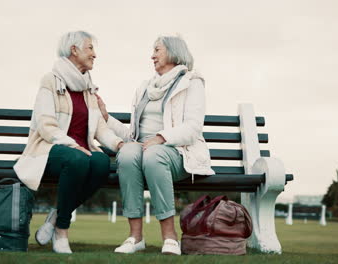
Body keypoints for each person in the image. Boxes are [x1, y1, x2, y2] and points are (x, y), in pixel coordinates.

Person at [97, 35, 214, 255]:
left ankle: (169, 238)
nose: (152, 55)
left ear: (173, 52)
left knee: (153, 155)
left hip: (177, 153)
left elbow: (192, 128)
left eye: (157, 50)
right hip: (144, 150)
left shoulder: (192, 82)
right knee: (127, 153)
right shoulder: (145, 87)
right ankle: (135, 237)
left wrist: (161, 138)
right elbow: (132, 134)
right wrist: (106, 118)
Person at [14, 31, 123, 254]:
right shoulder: (50, 80)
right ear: (74, 50)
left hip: (82, 151)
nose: (95, 54)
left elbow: (100, 129)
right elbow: (46, 125)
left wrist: (118, 144)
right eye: (90, 48)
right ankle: (62, 229)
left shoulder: (88, 87)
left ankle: (56, 216)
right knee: (78, 160)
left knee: (102, 162)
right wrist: (72, 144)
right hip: (50, 149)